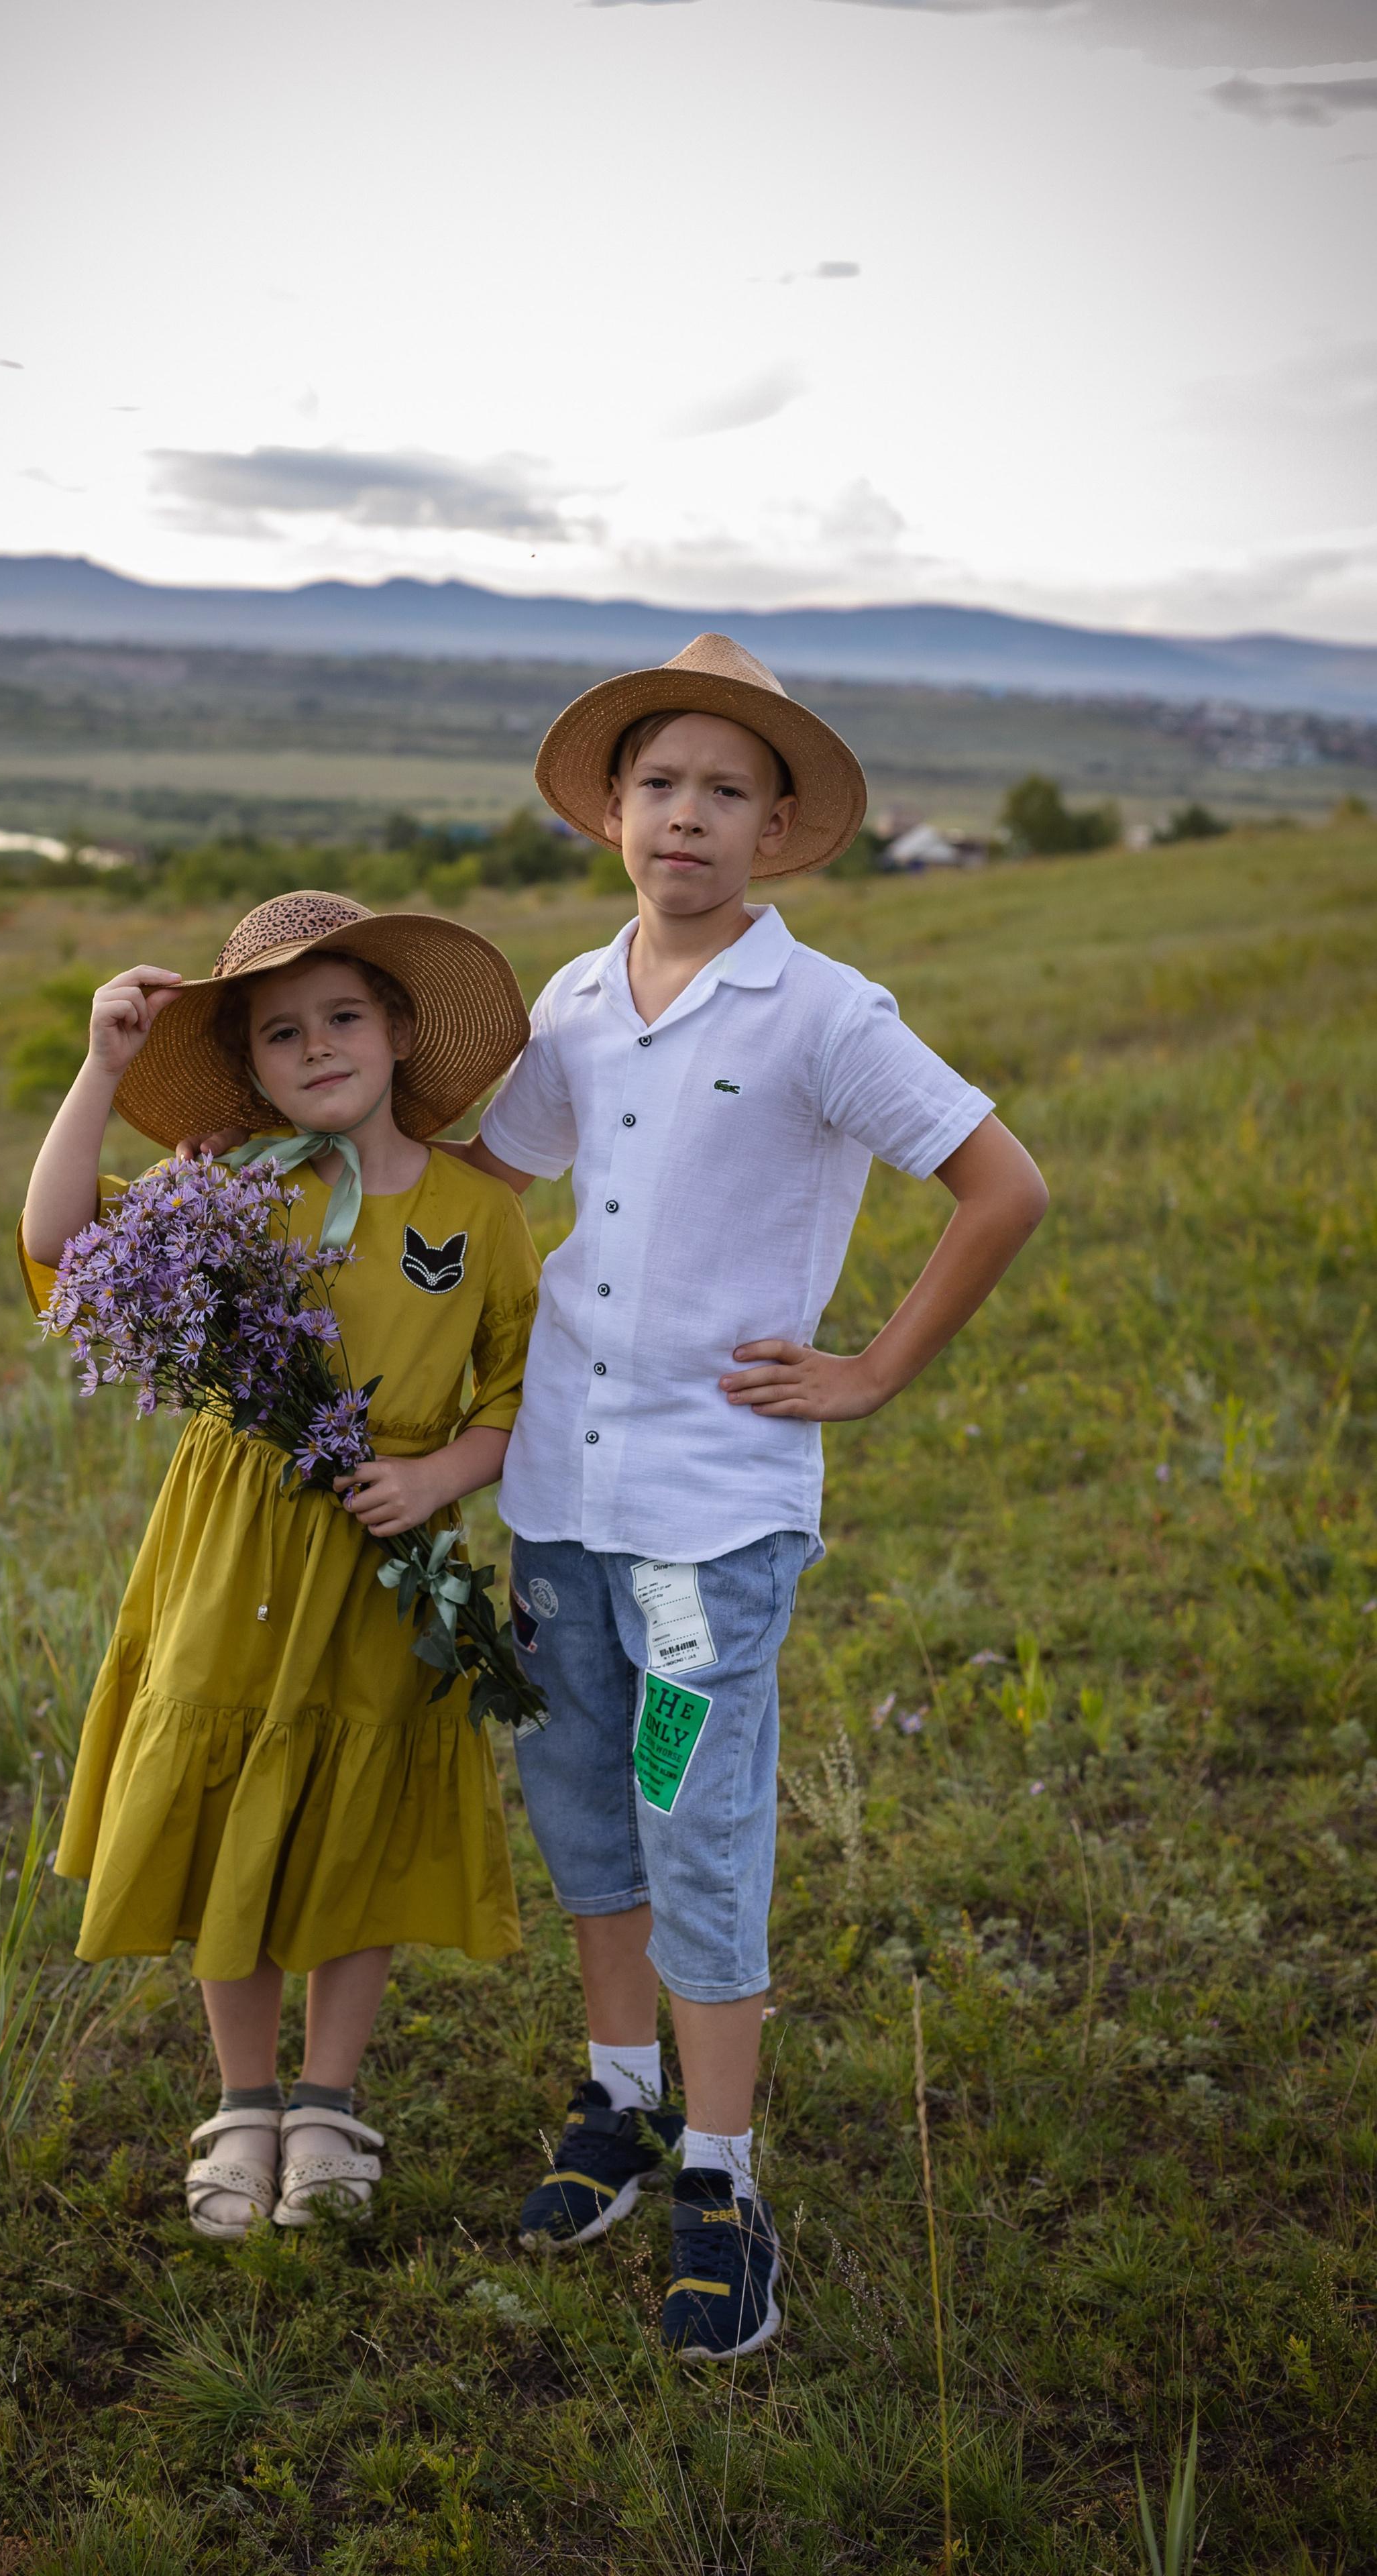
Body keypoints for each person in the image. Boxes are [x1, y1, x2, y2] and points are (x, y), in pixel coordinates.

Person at [452, 634, 1048, 2360]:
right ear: (611, 815)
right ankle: (619, 2094)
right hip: (563, 1490)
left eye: (725, 791)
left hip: (707, 1521)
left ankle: (720, 2178)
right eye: (657, 786)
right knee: (577, 1786)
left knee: (684, 1808)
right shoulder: (569, 1001)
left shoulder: (824, 1015)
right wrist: (293, 1143)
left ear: (781, 828)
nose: (685, 819)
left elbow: (998, 1188)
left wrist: (866, 1374)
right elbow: (494, 1176)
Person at [18, 892, 538, 2240]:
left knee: (350, 1805)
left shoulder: (480, 1214)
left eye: (342, 1018)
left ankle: (327, 2101)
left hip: (382, 1556)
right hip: (232, 1547)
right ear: (248, 1072)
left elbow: (516, 1391)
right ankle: (242, 2103)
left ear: (400, 1032)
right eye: (280, 1034)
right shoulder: (226, 1197)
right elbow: (58, 1243)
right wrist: (101, 1067)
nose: (316, 1049)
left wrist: (435, 1477)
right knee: (229, 1796)